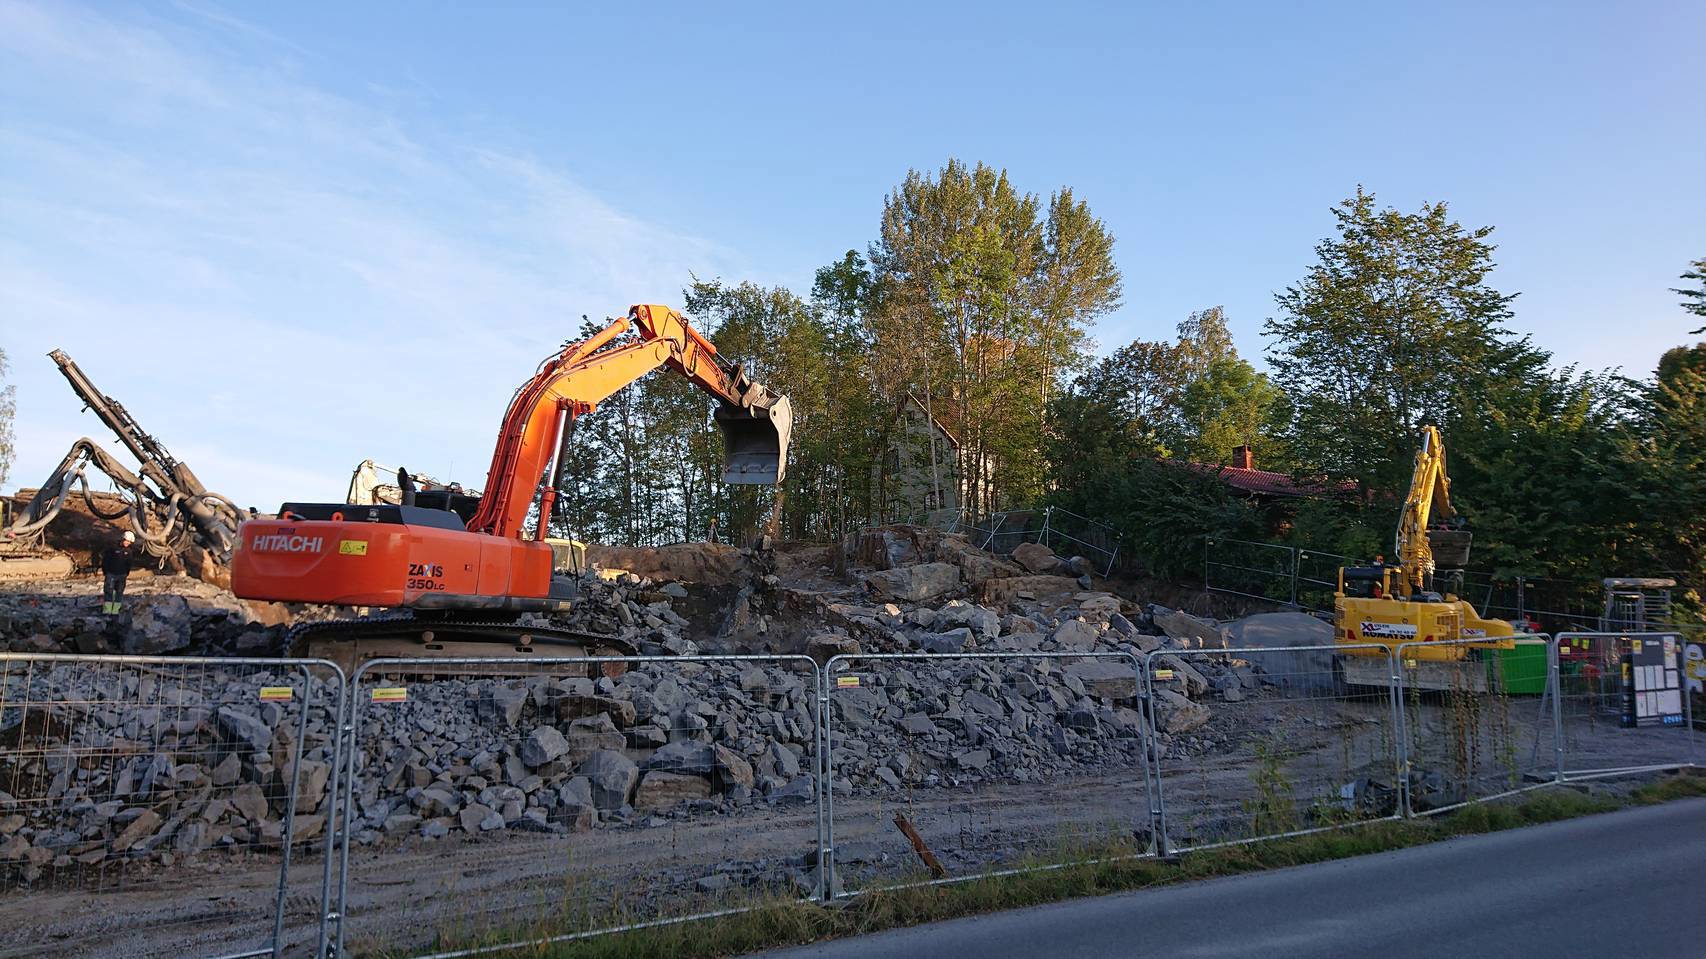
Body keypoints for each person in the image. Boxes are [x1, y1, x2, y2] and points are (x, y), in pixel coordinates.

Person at [101, 530, 136, 614]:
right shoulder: (113, 549)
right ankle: (107, 610)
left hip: (122, 575)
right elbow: (106, 560)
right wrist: (106, 571)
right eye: (126, 541)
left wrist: (126, 573)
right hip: (111, 574)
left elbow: (129, 564)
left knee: (119, 592)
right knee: (109, 591)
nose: (127, 543)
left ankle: (116, 611)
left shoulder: (129, 552)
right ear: (122, 539)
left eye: (129, 542)